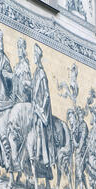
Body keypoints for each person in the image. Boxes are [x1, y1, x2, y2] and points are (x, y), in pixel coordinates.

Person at [32, 43, 55, 180]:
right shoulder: (36, 72)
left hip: (42, 110)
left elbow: (46, 94)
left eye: (35, 55)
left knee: (40, 128)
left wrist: (41, 108)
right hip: (35, 108)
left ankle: (42, 156)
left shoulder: (41, 73)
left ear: (38, 57)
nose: (34, 58)